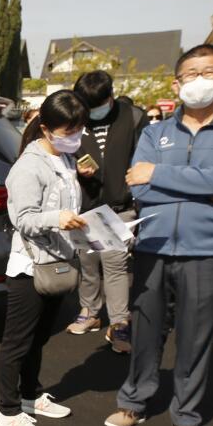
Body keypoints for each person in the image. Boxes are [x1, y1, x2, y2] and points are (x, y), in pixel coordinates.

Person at [103, 44, 213, 426]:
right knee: (145, 331)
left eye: (209, 72)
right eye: (191, 74)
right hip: (153, 246)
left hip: (206, 252)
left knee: (194, 338)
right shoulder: (155, 132)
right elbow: (139, 186)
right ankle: (133, 400)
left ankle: (186, 418)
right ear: (177, 82)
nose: (200, 80)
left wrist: (161, 173)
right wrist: (206, 190)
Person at [0, 90, 99, 426]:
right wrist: (59, 218)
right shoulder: (28, 166)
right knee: (18, 342)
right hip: (30, 266)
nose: (76, 137)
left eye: (79, 129)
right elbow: (23, 218)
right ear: (45, 128)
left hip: (58, 260)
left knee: (39, 339)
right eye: (69, 131)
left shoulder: (66, 160)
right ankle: (8, 411)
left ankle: (31, 396)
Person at [67, 70, 146, 354]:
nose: (88, 112)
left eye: (93, 106)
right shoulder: (75, 117)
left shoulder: (133, 117)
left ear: (109, 98)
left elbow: (143, 159)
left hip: (119, 207)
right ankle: (89, 311)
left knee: (115, 264)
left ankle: (120, 322)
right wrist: (75, 170)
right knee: (88, 264)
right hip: (84, 206)